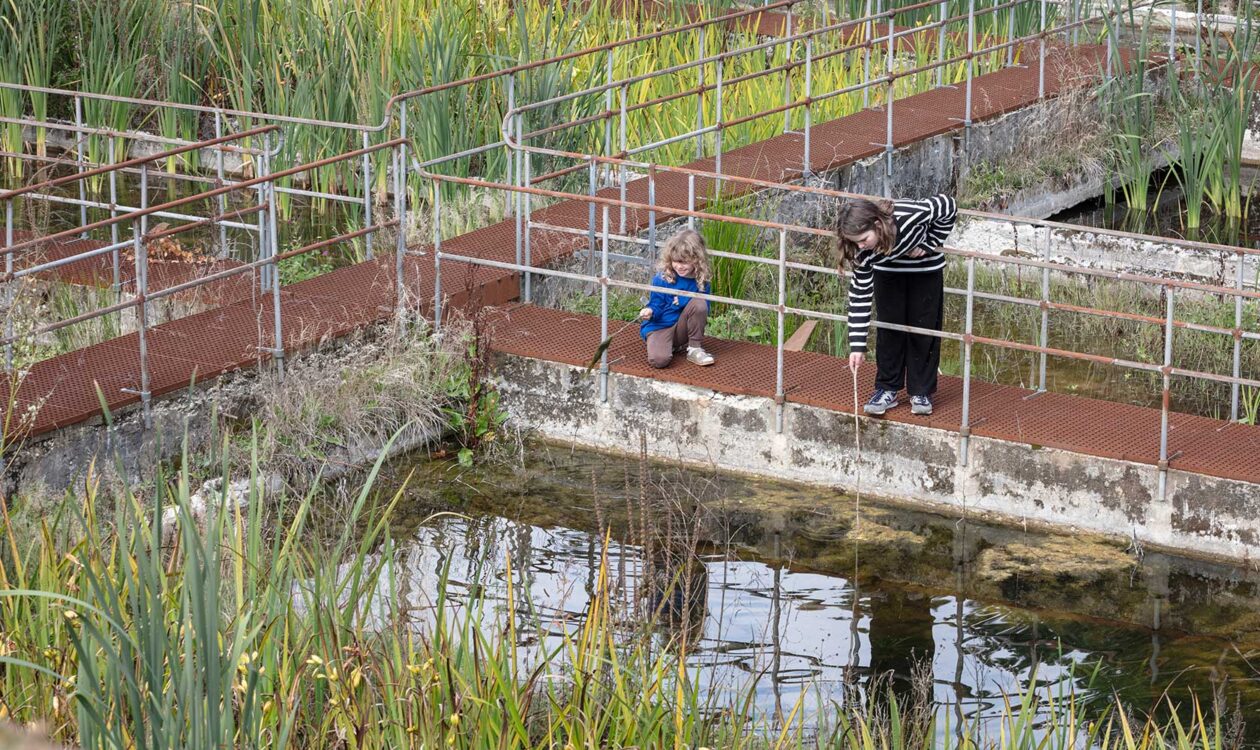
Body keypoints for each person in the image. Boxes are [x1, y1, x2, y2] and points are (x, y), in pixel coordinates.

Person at [836, 194, 957, 416]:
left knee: (924, 331)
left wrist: (931, 242)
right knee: (889, 331)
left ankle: (921, 392)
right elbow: (860, 297)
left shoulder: (909, 215)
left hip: (925, 270)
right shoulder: (863, 253)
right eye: (855, 242)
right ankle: (887, 389)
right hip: (888, 273)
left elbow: (948, 205)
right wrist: (857, 346)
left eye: (864, 239)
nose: (861, 245)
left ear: (877, 224)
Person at [639, 229, 716, 368]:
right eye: (675, 261)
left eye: (684, 262)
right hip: (660, 326)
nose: (679, 266)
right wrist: (650, 311)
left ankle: (694, 348)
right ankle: (668, 346)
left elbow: (704, 309)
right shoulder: (662, 278)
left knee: (699, 303)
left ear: (697, 260)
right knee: (659, 361)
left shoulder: (701, 282)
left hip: (682, 327)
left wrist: (683, 300)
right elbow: (656, 303)